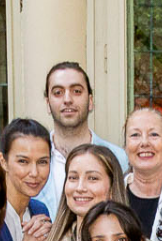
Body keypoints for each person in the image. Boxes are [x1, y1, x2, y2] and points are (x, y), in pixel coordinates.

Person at [38, 61, 128, 213]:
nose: (67, 99)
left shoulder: (119, 158)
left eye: (77, 91)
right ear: (48, 103)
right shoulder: (31, 161)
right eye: (58, 92)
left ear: (90, 101)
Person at [123, 107, 162, 241]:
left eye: (154, 135)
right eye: (135, 135)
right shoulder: (109, 197)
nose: (144, 142)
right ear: (125, 147)